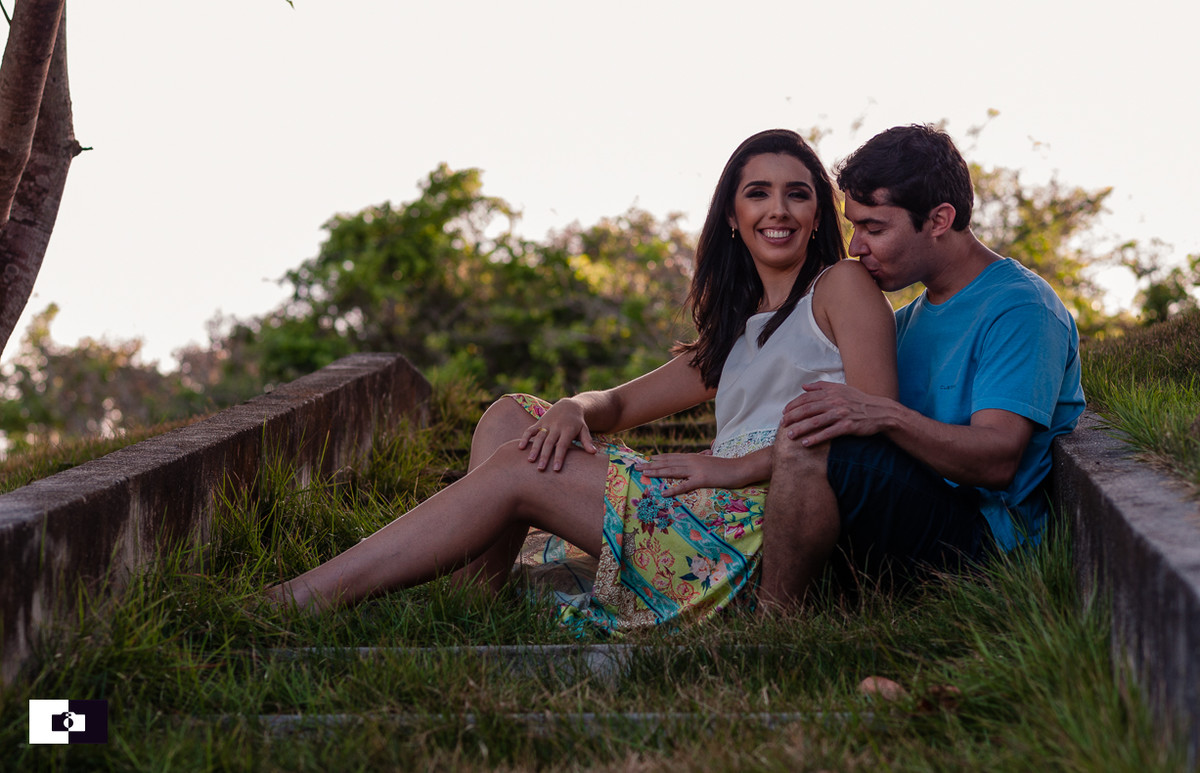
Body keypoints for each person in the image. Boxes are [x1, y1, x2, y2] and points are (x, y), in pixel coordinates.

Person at [266, 129, 898, 632]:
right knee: (513, 416)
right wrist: (574, 405)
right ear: (733, 217)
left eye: (798, 193)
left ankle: (295, 601)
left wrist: (734, 467)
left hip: (755, 532)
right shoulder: (737, 328)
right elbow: (620, 402)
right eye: (758, 193)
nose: (778, 210)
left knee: (519, 466)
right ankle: (467, 608)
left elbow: (873, 430)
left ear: (821, 213)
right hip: (700, 508)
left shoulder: (840, 287)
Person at [758, 124, 1086, 609]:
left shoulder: (1020, 307)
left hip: (986, 550)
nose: (855, 247)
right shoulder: (906, 320)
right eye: (854, 226)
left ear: (939, 219)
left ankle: (772, 627)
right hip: (915, 516)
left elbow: (998, 459)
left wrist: (885, 415)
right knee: (810, 427)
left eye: (874, 228)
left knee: (813, 446)